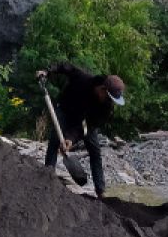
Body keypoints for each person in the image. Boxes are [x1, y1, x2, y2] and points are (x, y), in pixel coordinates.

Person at [38, 63, 125, 199]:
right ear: (102, 89)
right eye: (109, 97)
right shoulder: (83, 79)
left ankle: (100, 191)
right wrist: (47, 71)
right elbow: (66, 68)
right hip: (66, 110)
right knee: (55, 141)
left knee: (95, 151)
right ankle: (47, 177)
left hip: (85, 122)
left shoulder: (106, 108)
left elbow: (87, 126)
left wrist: (70, 139)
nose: (110, 101)